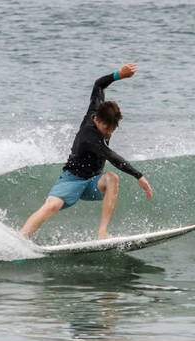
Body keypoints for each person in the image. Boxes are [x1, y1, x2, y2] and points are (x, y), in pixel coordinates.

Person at [21, 62, 153, 239]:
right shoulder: (88, 134)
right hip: (72, 179)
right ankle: (21, 237)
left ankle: (102, 233)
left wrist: (118, 75)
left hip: (93, 181)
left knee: (112, 178)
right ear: (96, 120)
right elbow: (111, 156)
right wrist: (139, 176)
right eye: (106, 129)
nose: (109, 133)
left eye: (113, 129)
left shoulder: (98, 110)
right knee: (51, 206)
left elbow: (99, 85)